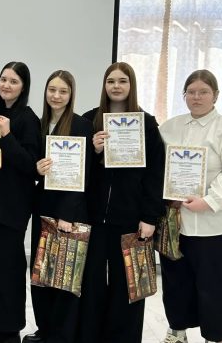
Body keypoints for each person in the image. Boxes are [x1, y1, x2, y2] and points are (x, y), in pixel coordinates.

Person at [158, 70, 222, 343]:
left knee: (211, 283)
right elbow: (156, 166)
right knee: (175, 280)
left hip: (215, 225)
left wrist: (209, 201)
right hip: (175, 221)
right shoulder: (170, 127)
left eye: (203, 92)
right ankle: (177, 330)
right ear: (184, 95)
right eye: (191, 92)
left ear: (216, 95)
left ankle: (216, 336)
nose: (196, 97)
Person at [77, 62, 165, 343]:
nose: (116, 86)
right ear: (104, 85)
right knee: (90, 283)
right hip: (93, 218)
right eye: (111, 81)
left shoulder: (147, 123)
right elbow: (77, 171)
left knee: (127, 285)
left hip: (130, 218)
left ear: (131, 85)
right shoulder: (89, 120)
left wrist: (149, 217)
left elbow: (156, 174)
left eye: (122, 81)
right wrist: (93, 152)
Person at [28, 70, 94, 343]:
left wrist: (67, 214)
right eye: (52, 90)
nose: (56, 96)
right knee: (41, 272)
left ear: (71, 95)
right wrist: (36, 169)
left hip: (69, 212)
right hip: (42, 207)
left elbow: (84, 174)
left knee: (64, 275)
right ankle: (44, 329)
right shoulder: (40, 124)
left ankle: (62, 334)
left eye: (63, 91)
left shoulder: (81, 126)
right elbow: (31, 164)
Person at [0, 62, 41, 343]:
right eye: (3, 79)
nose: (6, 85)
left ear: (23, 86)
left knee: (8, 267)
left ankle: (10, 328)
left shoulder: (27, 118)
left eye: (14, 81)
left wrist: (6, 136)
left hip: (13, 206)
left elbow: (30, 165)